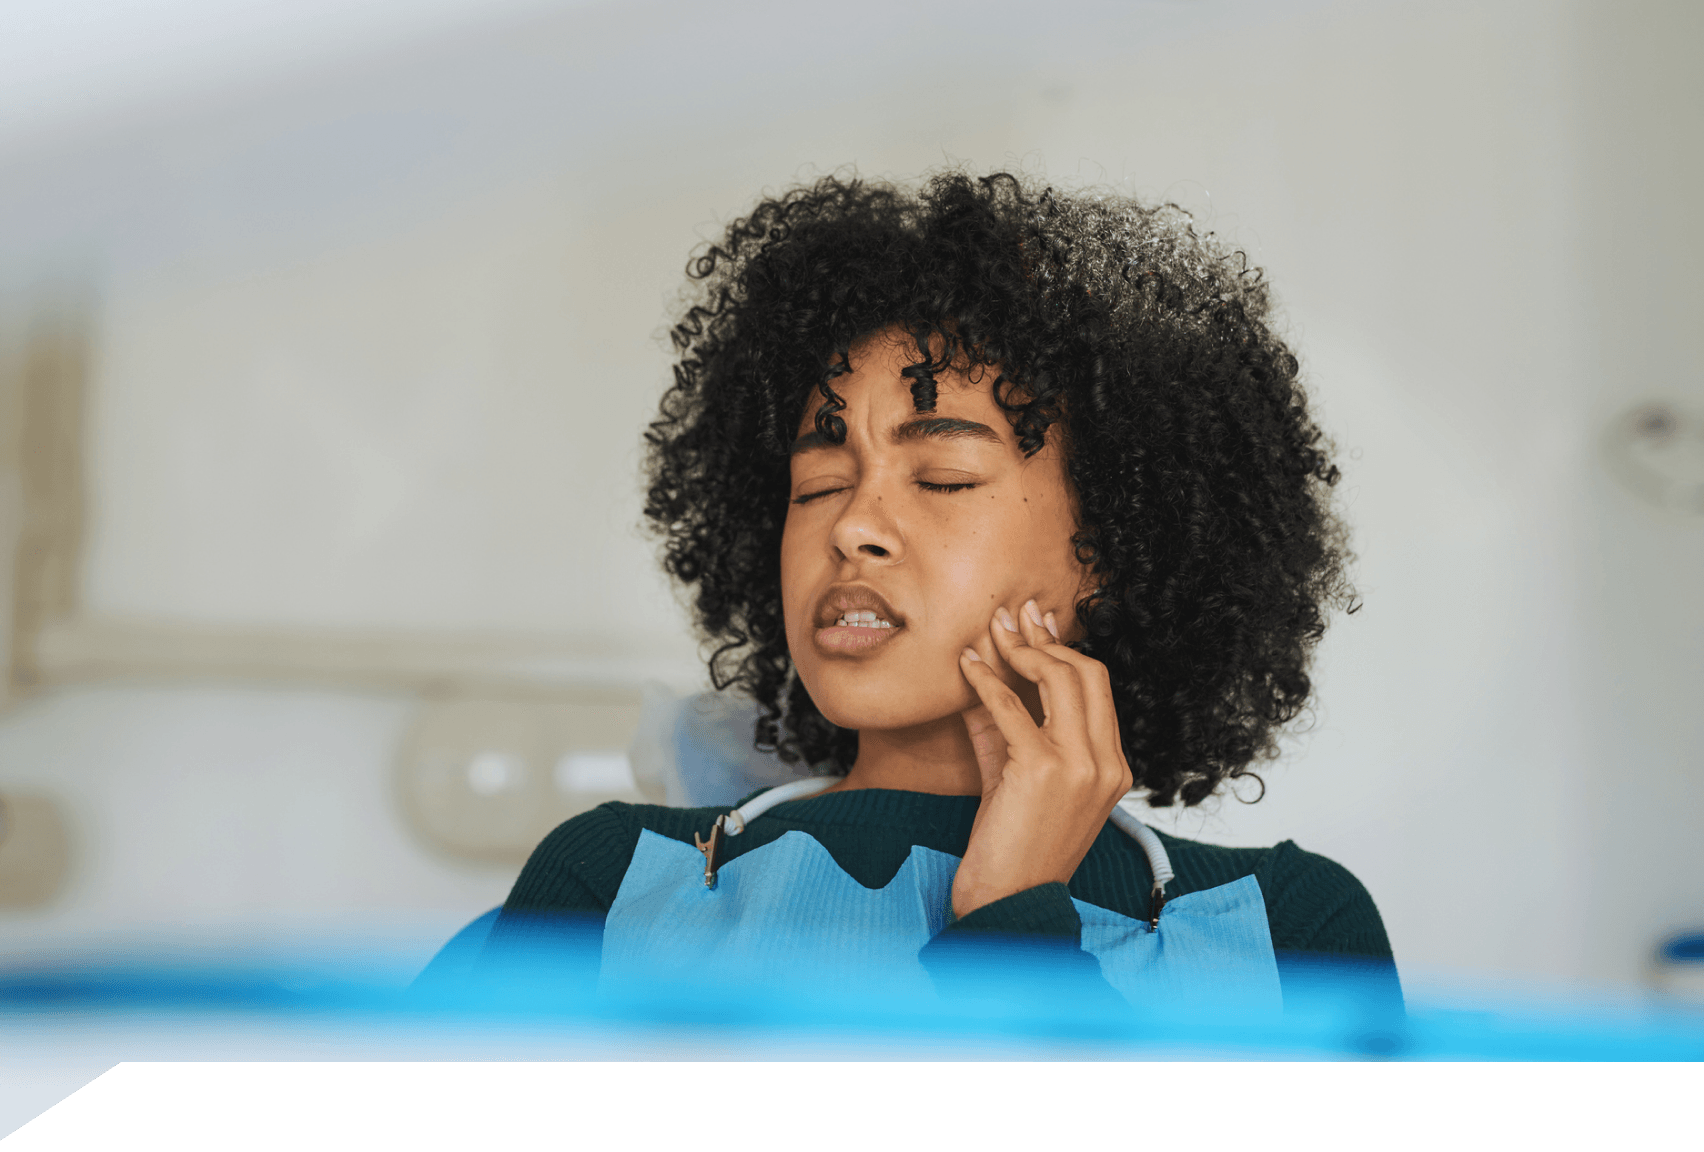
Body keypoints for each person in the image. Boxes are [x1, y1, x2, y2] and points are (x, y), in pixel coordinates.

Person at [468, 170, 1393, 1009]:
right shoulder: (613, 880)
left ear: (1111, 548)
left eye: (942, 478)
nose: (851, 526)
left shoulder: (1287, 931)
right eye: (818, 485)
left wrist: (1013, 917)